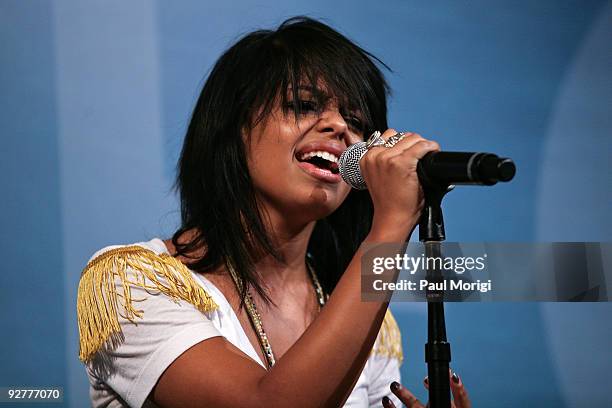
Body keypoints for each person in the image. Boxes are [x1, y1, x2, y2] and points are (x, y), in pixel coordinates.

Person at [76, 16, 471, 407]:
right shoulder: (132, 285)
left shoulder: (369, 319)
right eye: (303, 105)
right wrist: (390, 228)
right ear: (234, 129)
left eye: (355, 121)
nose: (338, 126)